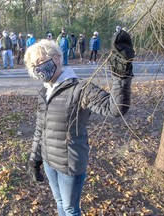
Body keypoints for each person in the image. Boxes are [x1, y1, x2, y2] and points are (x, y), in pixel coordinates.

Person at [25, 34, 134, 215]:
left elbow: (115, 109)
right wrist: (35, 159)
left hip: (69, 165)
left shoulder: (81, 89)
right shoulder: (44, 92)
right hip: (49, 162)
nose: (38, 68)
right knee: (59, 202)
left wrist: (121, 73)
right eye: (34, 65)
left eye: (41, 61)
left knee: (70, 208)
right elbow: (40, 129)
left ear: (57, 59)